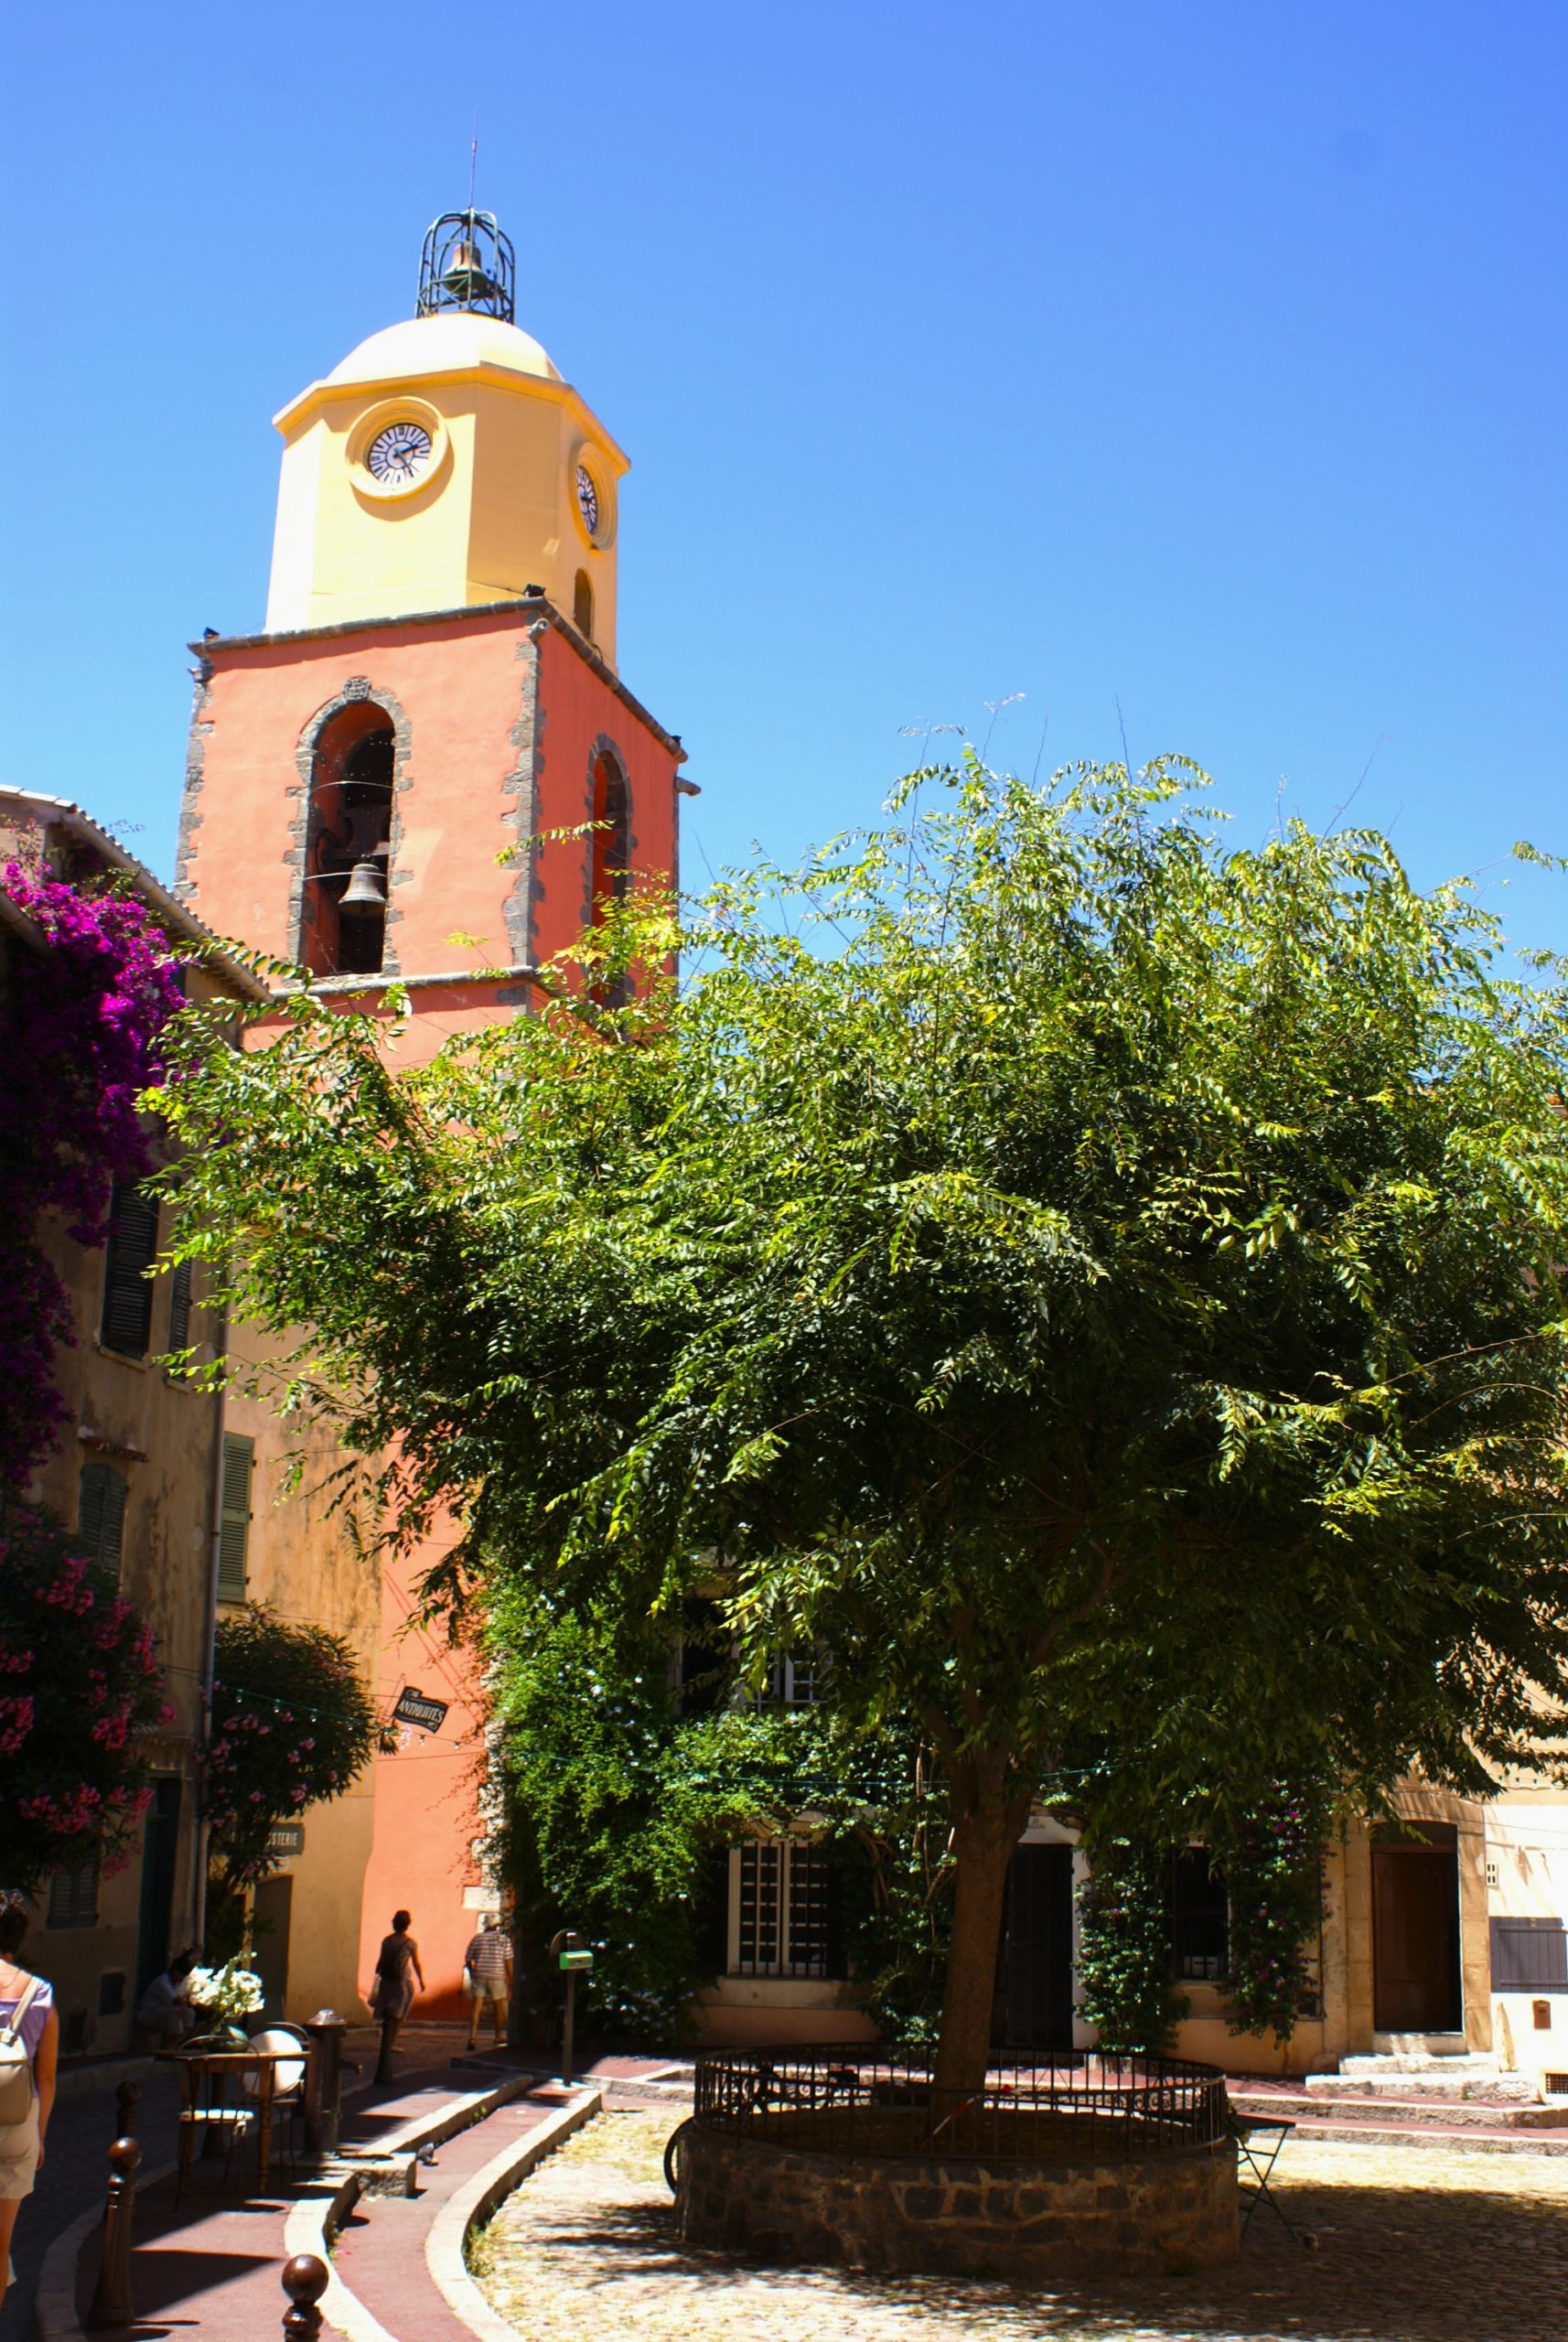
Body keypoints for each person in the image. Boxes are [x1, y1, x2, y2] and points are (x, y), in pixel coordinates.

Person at [0, 1900, 58, 2315]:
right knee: (0, 2243)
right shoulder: (39, 1992)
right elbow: (48, 2077)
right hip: (19, 2119)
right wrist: (39, 2137)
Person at [368, 1909, 424, 2084]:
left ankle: (387, 2042)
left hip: (387, 1979)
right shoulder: (410, 1943)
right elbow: (416, 1963)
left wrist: (378, 1974)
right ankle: (391, 2042)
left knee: (386, 2011)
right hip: (401, 1981)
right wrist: (422, 1980)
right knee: (400, 2012)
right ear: (407, 1924)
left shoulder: (386, 1941)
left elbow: (381, 1960)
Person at [462, 1915, 514, 2051]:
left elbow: (468, 1959)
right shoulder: (504, 1940)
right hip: (497, 1977)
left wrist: (472, 1971)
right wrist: (511, 1980)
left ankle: (472, 2037)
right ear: (497, 1925)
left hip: (479, 1976)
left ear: (486, 1925)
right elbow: (508, 1961)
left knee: (476, 2008)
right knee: (499, 2007)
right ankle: (498, 2036)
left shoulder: (477, 1939)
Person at [134, 1950, 197, 2047]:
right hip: (147, 2016)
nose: (182, 1979)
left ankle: (179, 2042)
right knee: (175, 2011)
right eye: (181, 1975)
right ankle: (169, 2044)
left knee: (190, 2013)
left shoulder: (174, 1984)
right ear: (175, 1971)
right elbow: (178, 2001)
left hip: (162, 2015)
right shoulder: (162, 1982)